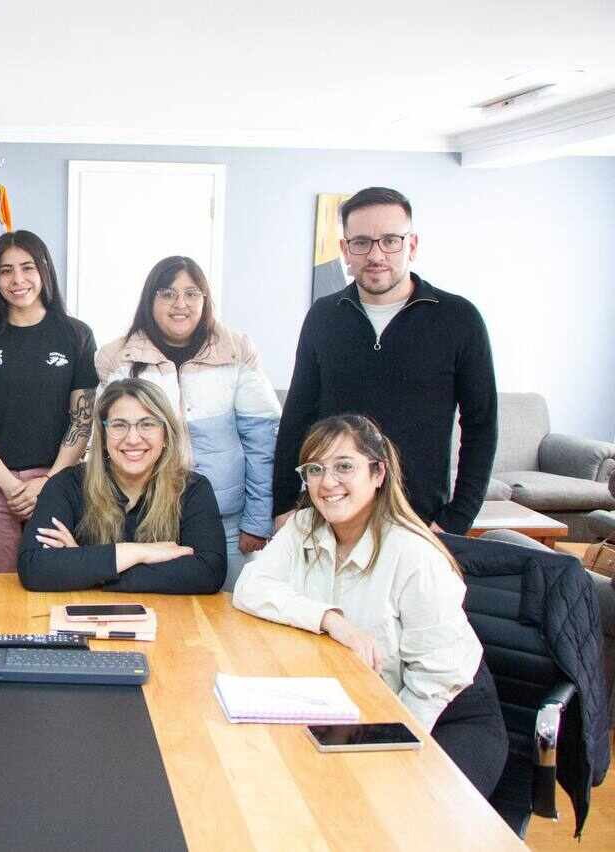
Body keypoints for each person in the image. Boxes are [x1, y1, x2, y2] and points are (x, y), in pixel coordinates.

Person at [233, 414, 508, 797]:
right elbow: (250, 587)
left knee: (396, 814)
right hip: (360, 704)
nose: (328, 482)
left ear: (378, 473)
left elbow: (436, 680)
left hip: (446, 712)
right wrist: (330, 619)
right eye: (315, 469)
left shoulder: (414, 554)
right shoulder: (303, 527)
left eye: (344, 466)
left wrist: (386, 749)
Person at [273, 186, 496, 536]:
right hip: (329, 516)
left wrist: (456, 519)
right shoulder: (323, 316)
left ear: (413, 245)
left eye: (390, 240)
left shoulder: (459, 319)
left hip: (419, 521)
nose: (376, 254)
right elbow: (297, 416)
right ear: (345, 250)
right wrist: (284, 504)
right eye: (361, 242)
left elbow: (481, 425)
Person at [95, 256, 280, 590]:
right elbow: (106, 443)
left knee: (225, 623)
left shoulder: (236, 352)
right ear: (150, 300)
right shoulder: (118, 357)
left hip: (228, 523)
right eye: (167, 293)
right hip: (146, 520)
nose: (180, 304)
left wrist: (257, 519)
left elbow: (263, 443)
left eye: (192, 293)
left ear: (205, 299)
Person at [0, 230, 98, 573]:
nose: (17, 280)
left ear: (44, 270)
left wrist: (48, 483)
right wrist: (9, 483)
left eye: (27, 267)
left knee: (55, 582)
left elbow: (82, 420)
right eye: (5, 270)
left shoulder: (76, 335)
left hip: (57, 479)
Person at [17, 378, 227, 593]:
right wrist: (137, 552)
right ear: (103, 435)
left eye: (147, 424)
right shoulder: (66, 485)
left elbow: (208, 572)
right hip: (86, 618)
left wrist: (87, 565)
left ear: (166, 435)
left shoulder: (192, 488)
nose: (133, 439)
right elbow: (35, 567)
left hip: (169, 620)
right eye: (119, 425)